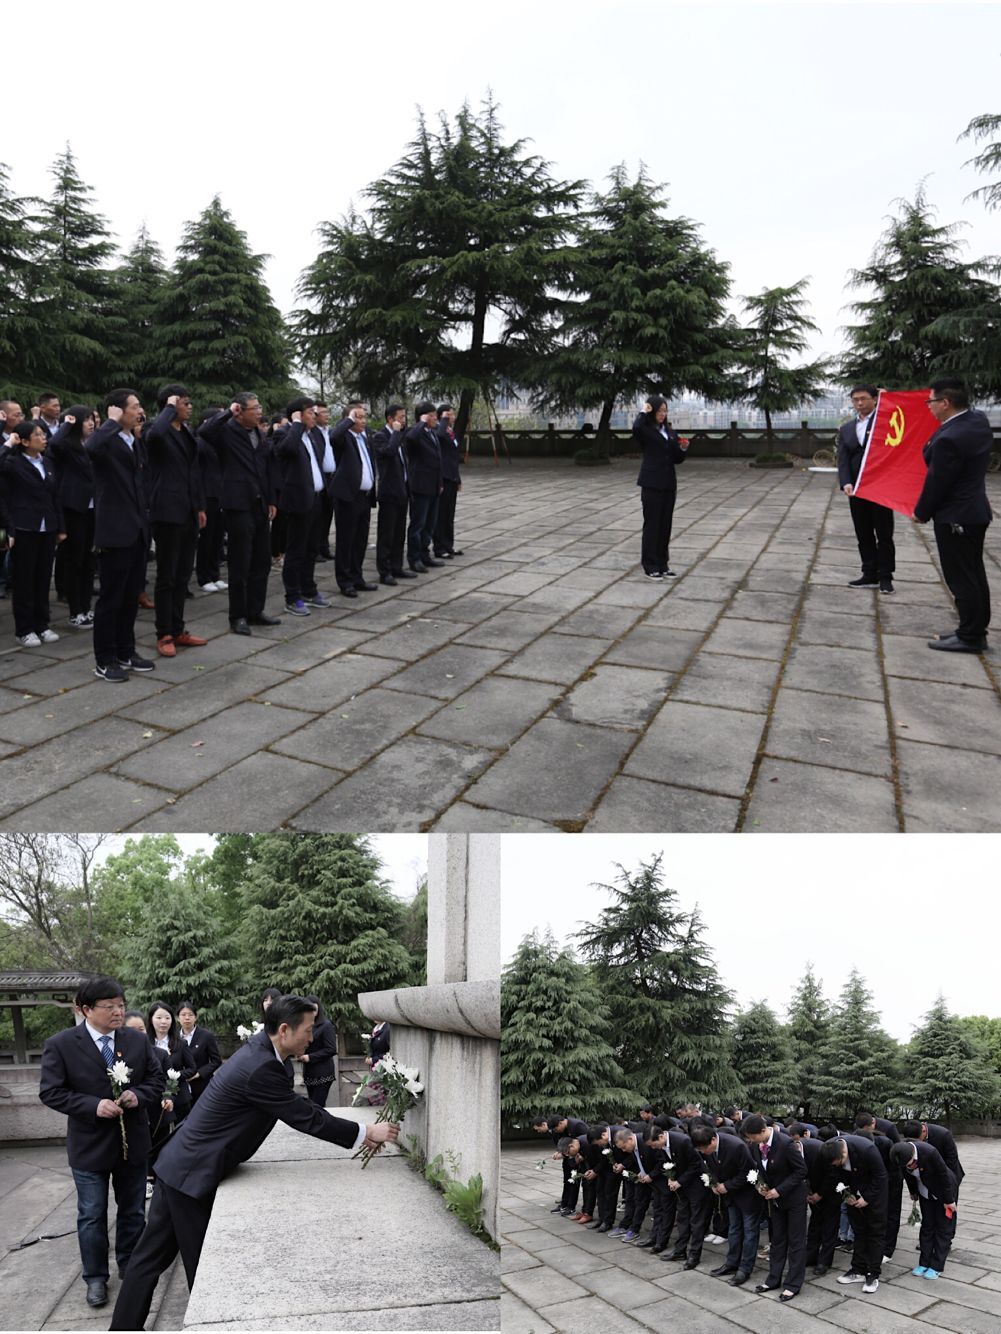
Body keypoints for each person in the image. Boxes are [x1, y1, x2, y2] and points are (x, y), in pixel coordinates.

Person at [109, 994, 400, 1331]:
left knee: (148, 1261)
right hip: (192, 1175)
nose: (312, 1036)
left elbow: (298, 1105)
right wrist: (365, 1132)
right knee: (203, 1270)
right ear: (285, 1030)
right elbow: (303, 1116)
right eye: (308, 1029)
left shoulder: (266, 1053)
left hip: (181, 1165)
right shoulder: (262, 1066)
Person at [38, 976, 165, 1310]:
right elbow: (51, 1091)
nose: (118, 1012)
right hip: (89, 1146)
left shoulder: (136, 1041)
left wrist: (138, 1095)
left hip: (132, 1143)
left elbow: (156, 1079)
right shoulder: (62, 1044)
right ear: (85, 1009)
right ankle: (95, 1277)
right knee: (92, 1215)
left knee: (133, 1210)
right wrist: (92, 1106)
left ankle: (130, 1265)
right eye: (109, 1007)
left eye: (121, 1005)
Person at [913, 378, 993, 653]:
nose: (929, 406)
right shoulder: (977, 421)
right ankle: (973, 630)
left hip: (956, 516)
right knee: (974, 574)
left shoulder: (950, 437)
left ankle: (970, 637)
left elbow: (938, 481)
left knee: (961, 578)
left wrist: (921, 512)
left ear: (945, 403)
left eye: (931, 401)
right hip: (974, 511)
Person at [86, 389, 155, 682]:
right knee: (111, 599)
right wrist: (110, 423)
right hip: (115, 531)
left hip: (137, 530)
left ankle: (126, 651)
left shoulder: (133, 440)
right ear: (117, 410)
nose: (140, 411)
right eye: (134, 406)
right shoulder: (107, 439)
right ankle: (105, 659)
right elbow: (90, 449)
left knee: (129, 598)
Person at [198, 395, 281, 636]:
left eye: (260, 407)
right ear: (240, 411)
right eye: (254, 408)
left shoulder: (259, 434)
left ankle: (256, 610)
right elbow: (204, 431)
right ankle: (238, 615)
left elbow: (265, 468)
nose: (259, 412)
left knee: (261, 561)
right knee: (240, 562)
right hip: (238, 504)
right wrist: (227, 412)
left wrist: (271, 499)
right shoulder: (227, 431)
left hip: (260, 504)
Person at [144, 385, 208, 658]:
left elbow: (194, 472)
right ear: (170, 404)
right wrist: (169, 407)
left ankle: (179, 628)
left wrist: (200, 506)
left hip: (189, 510)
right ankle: (164, 633)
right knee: (167, 576)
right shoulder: (155, 429)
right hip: (167, 511)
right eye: (184, 402)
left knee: (183, 575)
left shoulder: (187, 432)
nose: (189, 406)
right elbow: (155, 435)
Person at [0, 419, 66, 647]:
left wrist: (61, 527)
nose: (43, 438)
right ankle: (24, 629)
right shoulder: (12, 463)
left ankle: (42, 624)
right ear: (25, 441)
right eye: (38, 434)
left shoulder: (46, 462)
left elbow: (54, 496)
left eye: (43, 434)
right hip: (24, 527)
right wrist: (8, 443)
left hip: (47, 528)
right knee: (24, 580)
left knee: (43, 578)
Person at [276, 396, 334, 615]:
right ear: (298, 415)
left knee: (311, 549)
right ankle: (292, 597)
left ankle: (308, 589)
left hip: (317, 498)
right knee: (296, 550)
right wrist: (297, 424)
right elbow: (287, 450)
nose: (315, 416)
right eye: (310, 412)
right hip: (298, 501)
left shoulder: (314, 435)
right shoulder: (285, 433)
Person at [744, 1113, 808, 1301]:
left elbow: (801, 1171)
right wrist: (760, 1186)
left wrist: (779, 1190)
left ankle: (793, 1284)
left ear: (763, 1131)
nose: (751, 1141)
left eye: (753, 1137)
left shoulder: (785, 1143)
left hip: (794, 1199)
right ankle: (773, 1279)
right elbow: (758, 1169)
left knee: (795, 1241)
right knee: (777, 1239)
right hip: (775, 1200)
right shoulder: (756, 1146)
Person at [838, 384, 895, 594]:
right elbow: (843, 459)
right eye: (855, 400)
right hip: (856, 489)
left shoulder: (884, 423)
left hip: (880, 488)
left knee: (884, 534)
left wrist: (889, 401)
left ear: (874, 399)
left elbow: (901, 425)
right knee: (863, 533)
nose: (860, 403)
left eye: (864, 399)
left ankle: (886, 576)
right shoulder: (846, 429)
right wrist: (846, 482)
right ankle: (869, 573)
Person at [48, 406, 97, 627]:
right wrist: (66, 423)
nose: (91, 423)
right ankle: (75, 611)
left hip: (93, 508)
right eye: (85, 419)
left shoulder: (91, 445)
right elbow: (55, 444)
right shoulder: (67, 445)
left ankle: (86, 607)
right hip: (73, 509)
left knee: (89, 560)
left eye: (92, 419)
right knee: (74, 560)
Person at [821, 1132, 888, 1294]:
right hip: (852, 1193)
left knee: (875, 1233)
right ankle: (858, 1269)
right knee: (859, 1231)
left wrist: (867, 1198)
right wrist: (846, 1194)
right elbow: (835, 1175)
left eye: (839, 1162)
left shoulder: (867, 1149)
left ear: (844, 1153)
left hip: (874, 1194)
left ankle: (873, 1273)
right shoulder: (829, 1149)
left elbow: (880, 1176)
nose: (837, 1165)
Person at [633, 395, 689, 579]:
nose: (662, 414)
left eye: (665, 411)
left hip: (668, 484)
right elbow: (636, 427)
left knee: (665, 526)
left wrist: (683, 449)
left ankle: (663, 564)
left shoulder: (670, 432)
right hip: (651, 484)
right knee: (652, 525)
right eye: (659, 411)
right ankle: (650, 565)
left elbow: (676, 459)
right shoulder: (646, 430)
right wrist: (644, 410)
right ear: (652, 411)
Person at [889, 1139, 958, 1278]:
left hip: (943, 1190)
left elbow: (943, 1175)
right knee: (927, 1226)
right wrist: (913, 1192)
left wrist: (949, 1200)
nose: (908, 1167)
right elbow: (907, 1176)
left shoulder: (929, 1152)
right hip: (924, 1191)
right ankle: (924, 1263)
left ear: (913, 1155)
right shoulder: (901, 1156)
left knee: (943, 1228)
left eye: (909, 1164)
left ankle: (937, 1265)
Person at [330, 404, 378, 597]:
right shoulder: (344, 437)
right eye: (358, 417)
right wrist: (349, 419)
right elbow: (334, 436)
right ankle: (345, 581)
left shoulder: (364, 438)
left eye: (364, 417)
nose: (363, 421)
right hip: (348, 497)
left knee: (360, 540)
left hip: (365, 497)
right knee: (346, 540)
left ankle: (357, 577)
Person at [372, 403, 415, 585]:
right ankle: (385, 571)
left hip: (402, 490)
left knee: (399, 533)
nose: (404, 421)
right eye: (400, 417)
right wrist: (396, 433)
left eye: (405, 417)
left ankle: (397, 566)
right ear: (390, 419)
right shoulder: (380, 437)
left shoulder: (400, 436)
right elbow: (389, 452)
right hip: (389, 492)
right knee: (387, 534)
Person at [404, 403, 444, 572]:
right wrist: (421, 423)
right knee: (418, 524)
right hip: (420, 486)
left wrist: (440, 483)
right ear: (424, 416)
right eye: (432, 415)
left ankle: (424, 554)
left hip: (433, 486)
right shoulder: (415, 432)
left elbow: (438, 460)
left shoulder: (432, 433)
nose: (435, 418)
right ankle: (414, 558)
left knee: (430, 524)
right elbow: (411, 439)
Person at [194, 407, 227, 594]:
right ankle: (203, 576)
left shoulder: (218, 443)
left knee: (217, 537)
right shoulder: (200, 443)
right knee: (206, 538)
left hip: (220, 494)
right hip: (207, 495)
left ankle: (215, 574)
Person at [432, 403, 463, 559]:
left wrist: (458, 478)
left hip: (452, 477)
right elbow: (439, 436)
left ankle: (448, 545)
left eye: (452, 414)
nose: (452, 417)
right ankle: (439, 547)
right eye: (449, 415)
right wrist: (443, 420)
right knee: (441, 515)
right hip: (442, 478)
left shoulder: (450, 432)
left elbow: (454, 458)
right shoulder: (438, 430)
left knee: (449, 514)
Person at [176, 1002, 222, 1103]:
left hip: (201, 1086)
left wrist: (199, 1074)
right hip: (179, 1086)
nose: (187, 1018)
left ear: (195, 1017)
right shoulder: (174, 1037)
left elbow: (216, 1061)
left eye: (190, 1015)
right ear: (178, 1018)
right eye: (183, 1015)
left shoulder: (206, 1036)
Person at [300, 995, 338, 1107]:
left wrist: (310, 1057)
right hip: (309, 1072)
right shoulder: (304, 1025)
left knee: (317, 1106)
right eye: (309, 1009)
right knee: (312, 1105)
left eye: (314, 1009)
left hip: (323, 1073)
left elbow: (331, 1049)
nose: (312, 1012)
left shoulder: (326, 1025)